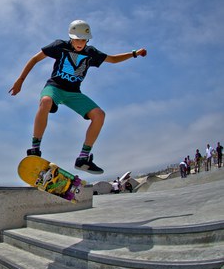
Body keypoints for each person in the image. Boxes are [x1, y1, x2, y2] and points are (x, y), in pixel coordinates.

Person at [9, 19, 147, 174]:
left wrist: (134, 53)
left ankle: (83, 158)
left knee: (99, 115)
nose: (80, 43)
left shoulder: (91, 53)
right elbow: (35, 59)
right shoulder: (59, 46)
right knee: (46, 101)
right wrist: (20, 80)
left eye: (83, 40)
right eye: (76, 40)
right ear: (71, 38)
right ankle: (35, 149)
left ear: (87, 39)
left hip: (74, 92)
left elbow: (113, 59)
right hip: (54, 87)